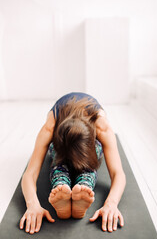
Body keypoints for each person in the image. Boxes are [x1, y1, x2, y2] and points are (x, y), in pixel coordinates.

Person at [19, 92, 126, 235]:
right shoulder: (50, 128)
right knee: (59, 160)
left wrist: (111, 203)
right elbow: (29, 173)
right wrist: (32, 205)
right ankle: (61, 185)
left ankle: (83, 185)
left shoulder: (102, 127)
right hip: (60, 146)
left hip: (89, 146)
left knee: (88, 164)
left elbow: (117, 173)